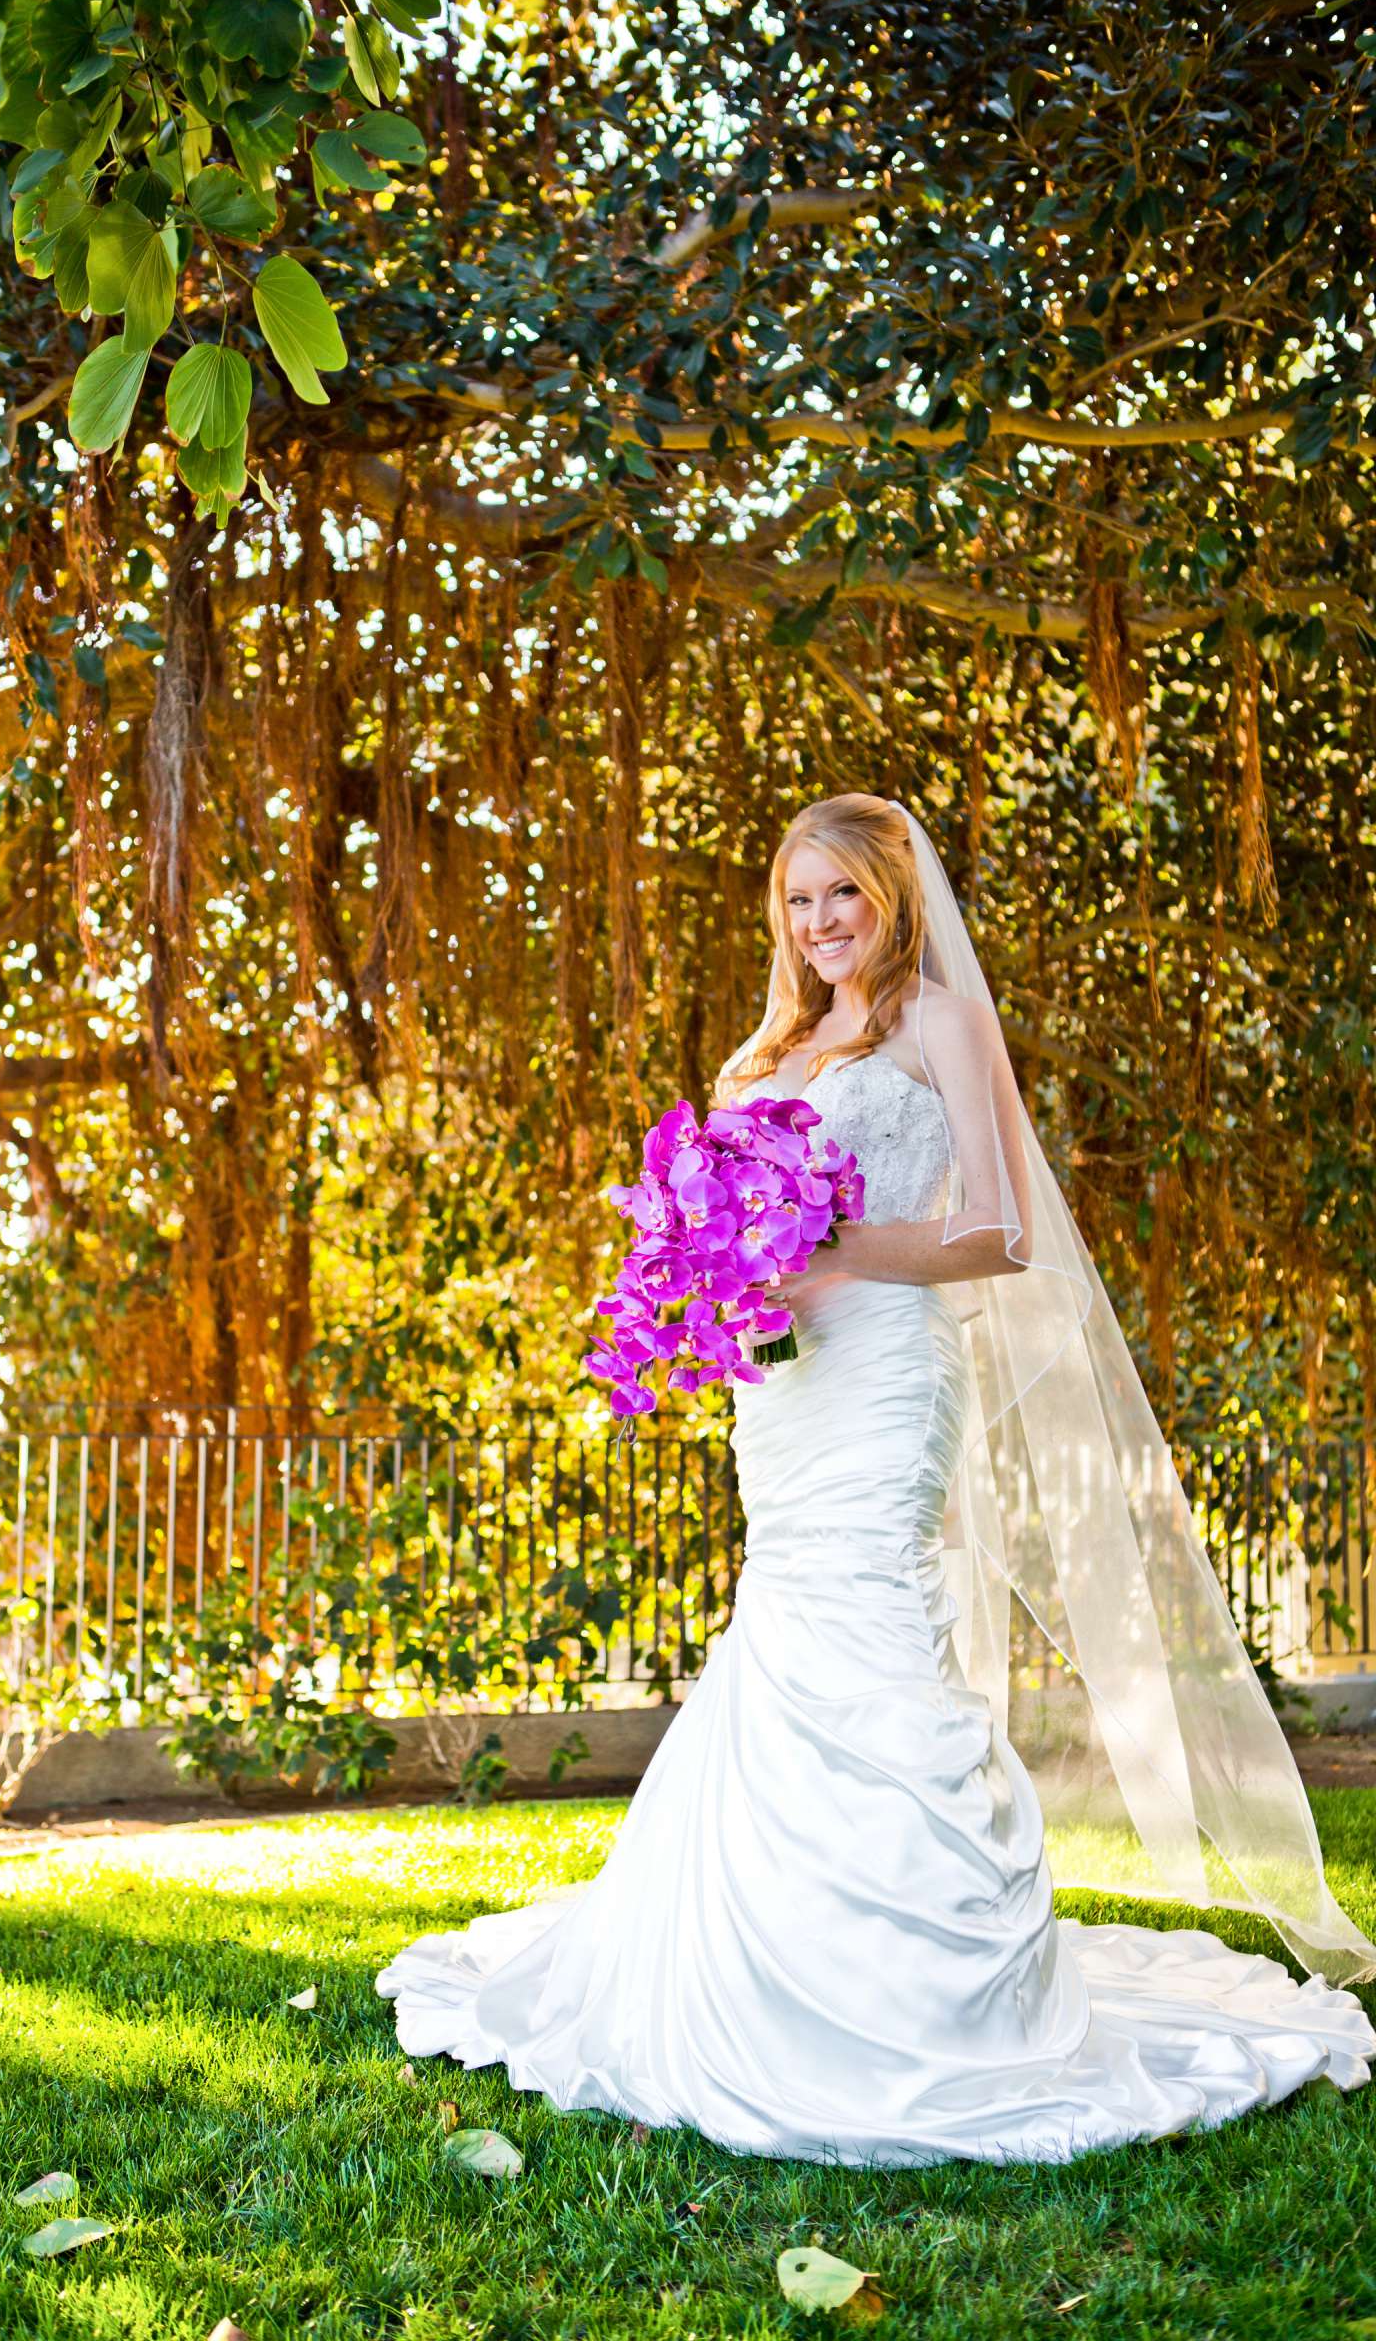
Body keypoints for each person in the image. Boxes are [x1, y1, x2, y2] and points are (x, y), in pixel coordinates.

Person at [374, 793, 1375, 2164]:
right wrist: (703, 1282)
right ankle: (771, 1952)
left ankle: (925, 1976)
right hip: (779, 1386)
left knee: (878, 1615)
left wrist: (835, 1253)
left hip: (889, 1362)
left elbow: (1001, 1230)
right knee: (786, 1619)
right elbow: (727, 1225)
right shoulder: (767, 1049)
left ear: (894, 899)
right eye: (797, 899)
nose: (819, 922)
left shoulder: (939, 1026)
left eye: (841, 894)